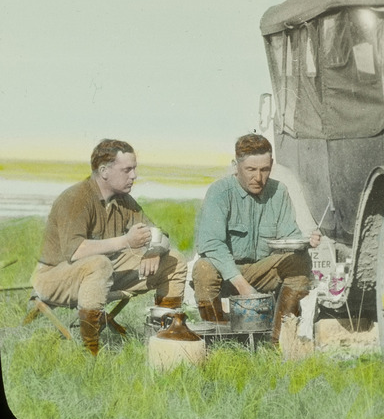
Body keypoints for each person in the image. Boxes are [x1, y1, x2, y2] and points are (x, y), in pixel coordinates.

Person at [32, 139, 187, 355]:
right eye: (127, 170)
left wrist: (154, 250)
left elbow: (158, 233)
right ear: (104, 171)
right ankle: (90, 352)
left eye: (134, 169)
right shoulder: (76, 198)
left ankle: (166, 337)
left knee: (174, 260)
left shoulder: (124, 200)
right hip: (54, 278)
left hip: (103, 273)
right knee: (99, 263)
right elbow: (75, 251)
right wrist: (125, 241)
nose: (134, 176)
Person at [192, 133, 321, 344]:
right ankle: (220, 340)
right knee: (203, 268)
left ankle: (277, 341)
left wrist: (307, 240)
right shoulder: (220, 192)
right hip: (227, 272)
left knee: (300, 260)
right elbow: (211, 244)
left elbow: (289, 236)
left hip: (262, 270)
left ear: (272, 165)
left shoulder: (279, 192)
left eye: (264, 169)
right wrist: (241, 285)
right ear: (236, 166)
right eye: (250, 170)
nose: (258, 178)